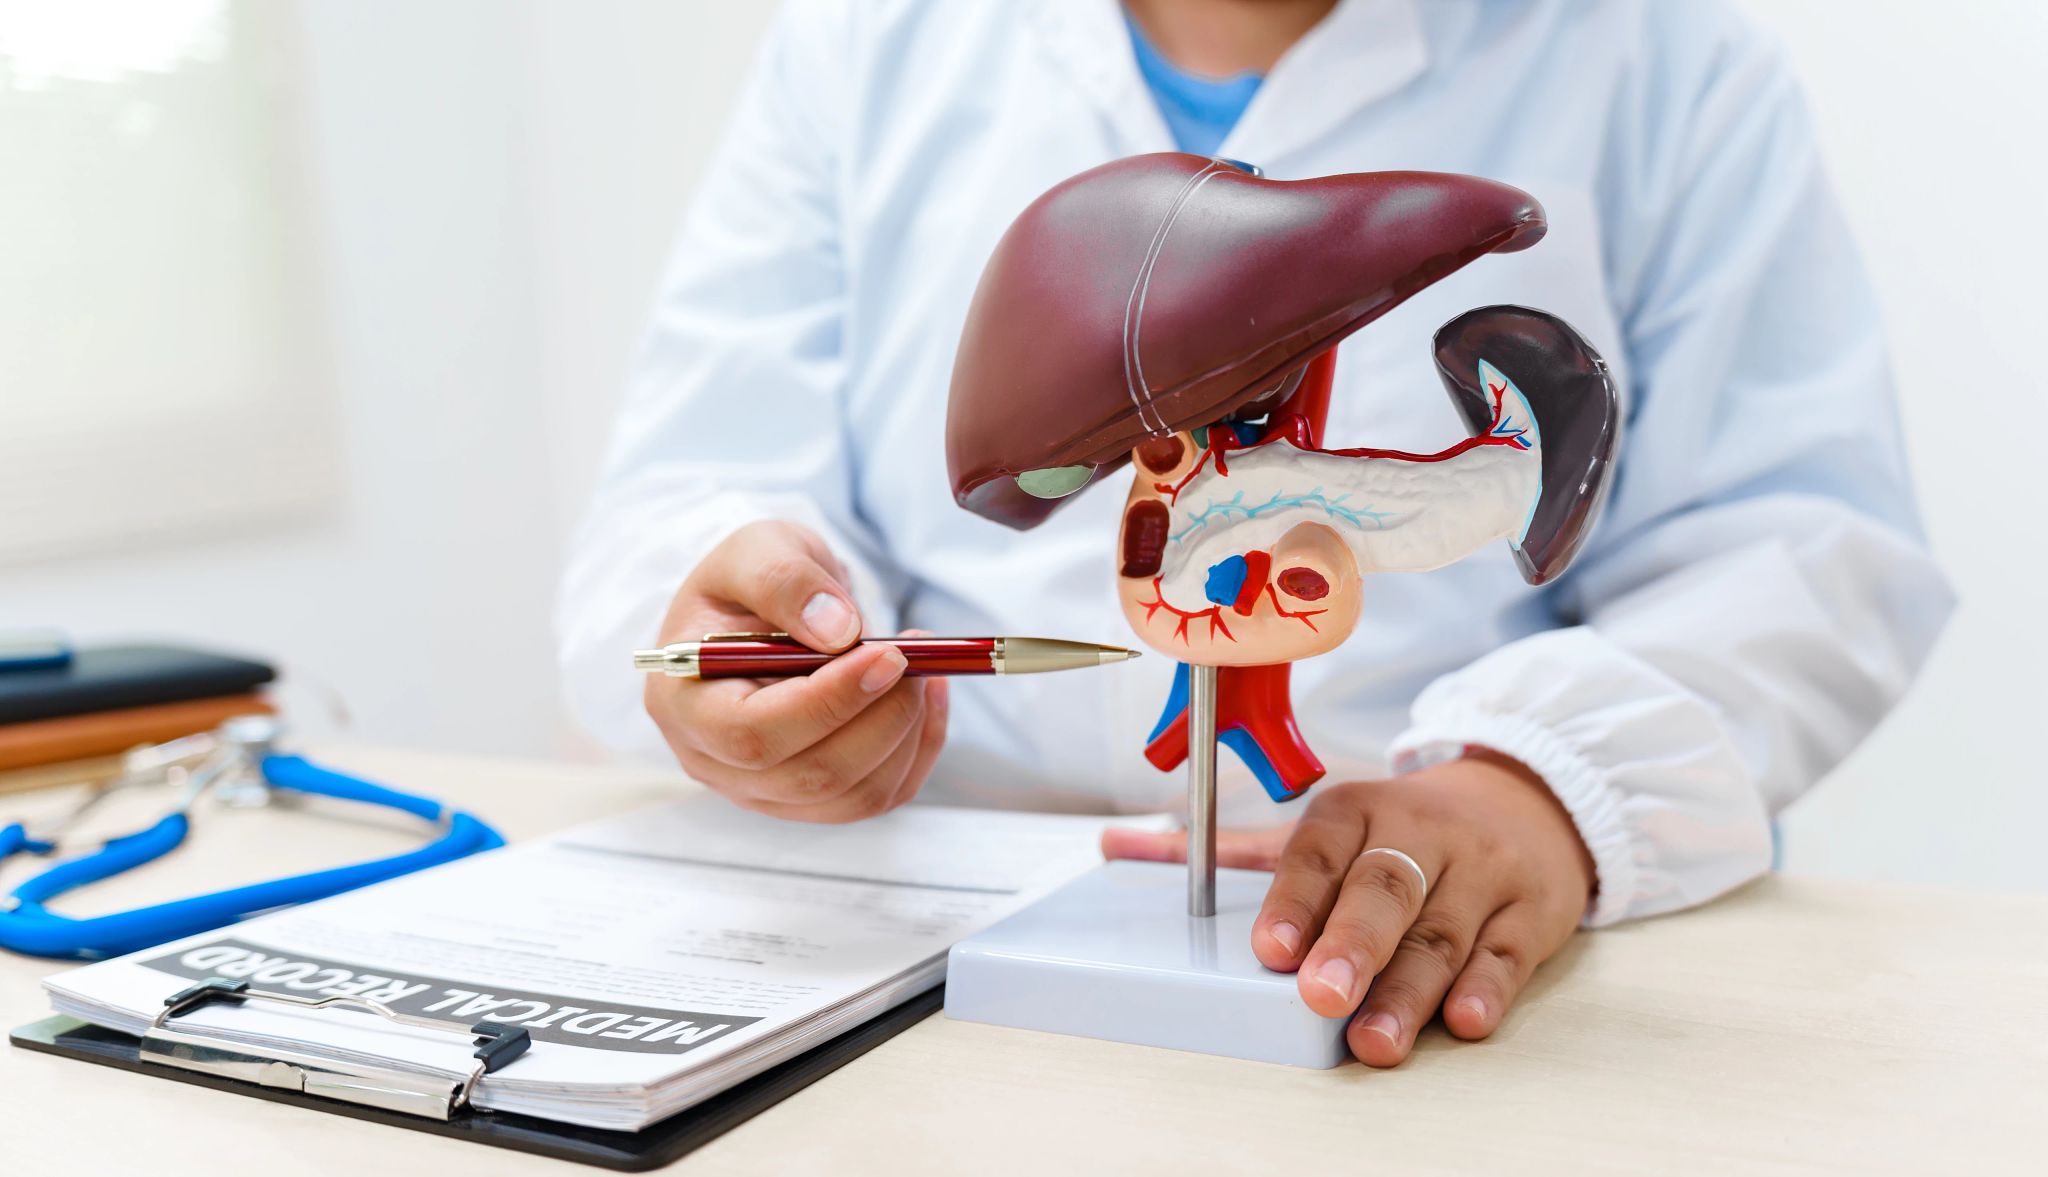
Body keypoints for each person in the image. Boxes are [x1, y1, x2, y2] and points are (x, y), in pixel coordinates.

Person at [557, 0, 1952, 1067]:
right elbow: (701, 473)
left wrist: (1539, 786)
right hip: (932, 935)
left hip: (1421, 961)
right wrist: (744, 630)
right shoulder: (867, 43)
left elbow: (1802, 549)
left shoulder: (1663, 60)